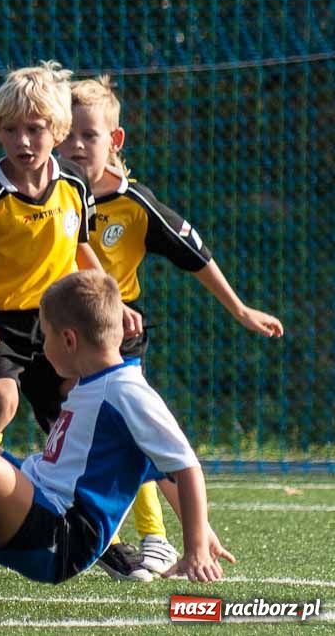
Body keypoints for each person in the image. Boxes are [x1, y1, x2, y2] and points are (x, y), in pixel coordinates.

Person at [0, 270, 236, 603]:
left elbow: (184, 466)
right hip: (37, 505)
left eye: (45, 335)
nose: (40, 345)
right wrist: (200, 525)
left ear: (69, 340)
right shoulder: (92, 383)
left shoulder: (126, 390)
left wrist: (197, 544)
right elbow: (157, 469)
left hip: (59, 537)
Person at [56, 76, 284, 581]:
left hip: (115, 336)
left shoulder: (135, 205)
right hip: (52, 334)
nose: (75, 145)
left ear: (114, 142)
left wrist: (241, 310)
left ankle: (158, 539)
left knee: (137, 436)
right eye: (67, 133)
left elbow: (196, 254)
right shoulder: (46, 193)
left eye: (88, 136)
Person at [0, 61, 143, 444]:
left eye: (34, 129)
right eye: (10, 130)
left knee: (81, 407)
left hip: (51, 321)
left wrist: (116, 302)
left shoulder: (75, 185)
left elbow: (79, 250)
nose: (22, 141)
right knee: (0, 403)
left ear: (58, 130)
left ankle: (60, 495)